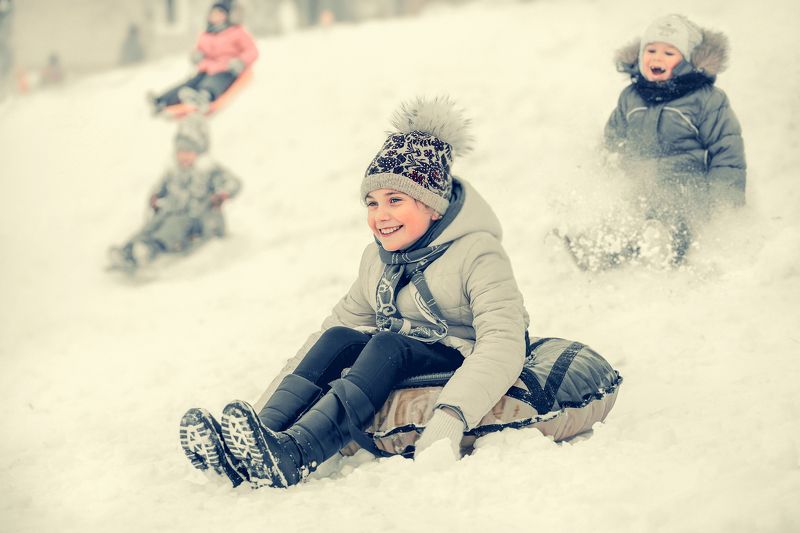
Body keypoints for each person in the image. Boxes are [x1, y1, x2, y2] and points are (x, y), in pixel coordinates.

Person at [178, 97, 530, 489]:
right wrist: (259, 411)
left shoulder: (478, 252)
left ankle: (297, 453)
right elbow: (336, 328)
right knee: (339, 338)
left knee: (386, 345)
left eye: (395, 200)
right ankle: (258, 440)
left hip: (457, 353)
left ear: (433, 207)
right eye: (372, 203)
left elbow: (503, 340)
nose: (380, 215)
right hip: (395, 351)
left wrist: (451, 416)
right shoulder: (376, 261)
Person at [564, 14, 746, 270]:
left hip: (685, 187)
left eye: (669, 53)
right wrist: (608, 170)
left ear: (688, 61)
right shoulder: (630, 98)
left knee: (674, 217)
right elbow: (614, 141)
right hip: (640, 187)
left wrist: (726, 206)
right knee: (622, 217)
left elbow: (727, 152)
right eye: (650, 50)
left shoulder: (707, 100)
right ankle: (590, 252)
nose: (657, 58)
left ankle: (664, 246)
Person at [108, 115, 242, 273]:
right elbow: (161, 186)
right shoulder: (174, 170)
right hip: (170, 210)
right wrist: (156, 195)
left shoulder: (209, 170)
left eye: (189, 152)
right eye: (180, 152)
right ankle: (128, 249)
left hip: (196, 217)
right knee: (152, 225)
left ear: (200, 152)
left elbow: (234, 183)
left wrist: (222, 194)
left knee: (170, 230)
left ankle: (148, 251)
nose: (184, 156)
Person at [149, 1, 258, 114]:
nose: (215, 15)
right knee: (190, 83)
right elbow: (200, 50)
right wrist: (196, 55)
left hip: (226, 69)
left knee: (213, 83)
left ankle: (203, 97)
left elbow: (252, 50)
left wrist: (241, 61)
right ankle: (162, 100)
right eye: (213, 13)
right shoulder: (206, 34)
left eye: (219, 13)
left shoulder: (236, 32)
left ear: (227, 16)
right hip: (206, 68)